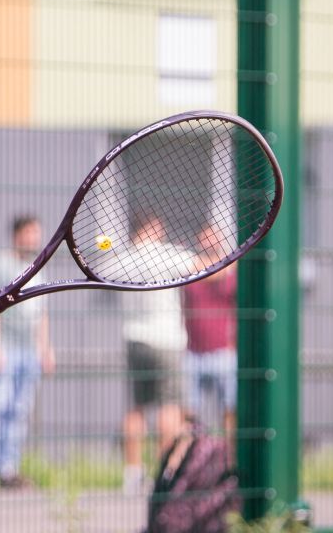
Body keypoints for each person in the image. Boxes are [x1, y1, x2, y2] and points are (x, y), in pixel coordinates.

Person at [0, 215, 56, 488]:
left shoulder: (37, 267)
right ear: (18, 234)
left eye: (37, 232)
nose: (35, 238)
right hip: (6, 348)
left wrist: (45, 349)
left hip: (29, 351)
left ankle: (8, 469)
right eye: (30, 232)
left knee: (19, 411)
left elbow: (41, 313)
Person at [120, 212, 189, 495]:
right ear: (152, 228)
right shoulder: (167, 254)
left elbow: (103, 256)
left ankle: (133, 474)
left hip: (135, 340)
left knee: (136, 407)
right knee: (169, 407)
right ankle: (165, 473)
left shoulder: (122, 258)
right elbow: (209, 267)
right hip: (166, 340)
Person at [182, 222, 238, 455]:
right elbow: (203, 270)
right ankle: (187, 462)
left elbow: (224, 272)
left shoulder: (231, 273)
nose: (208, 242)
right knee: (187, 414)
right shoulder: (191, 269)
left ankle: (230, 460)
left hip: (224, 353)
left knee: (229, 411)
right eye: (204, 238)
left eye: (213, 238)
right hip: (193, 353)